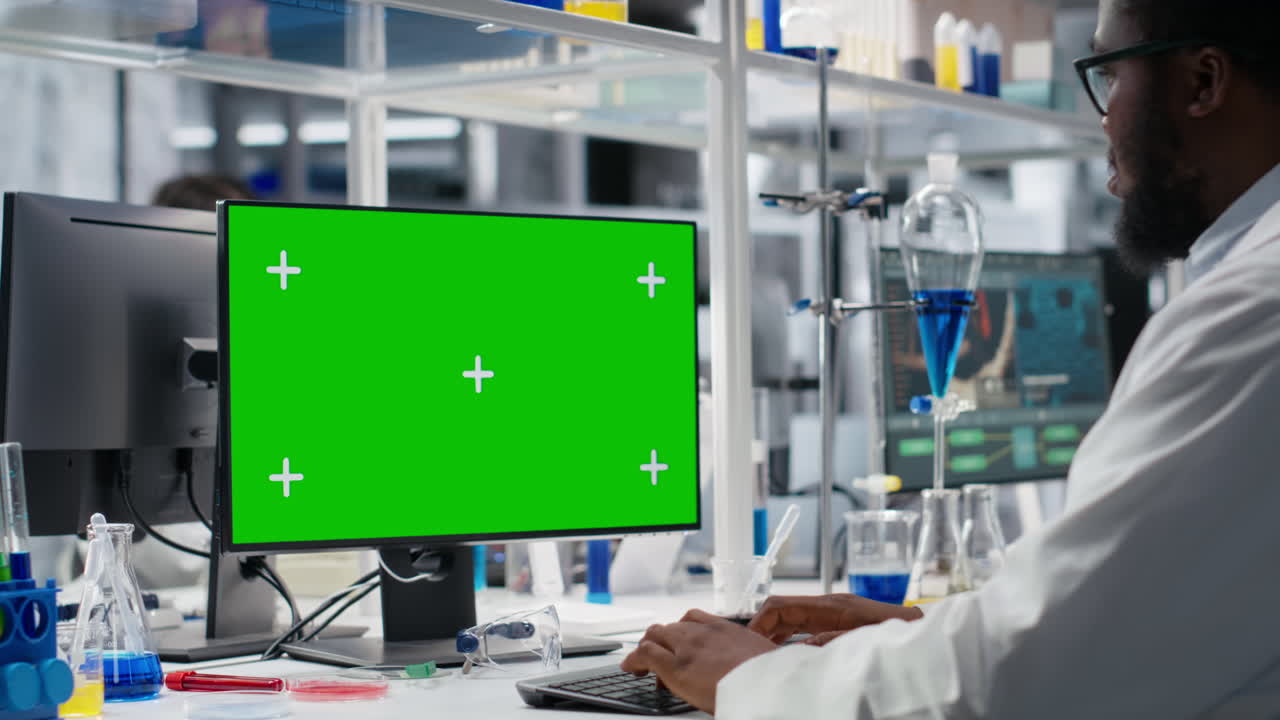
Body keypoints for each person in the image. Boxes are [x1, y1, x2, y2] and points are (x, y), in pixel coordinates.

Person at [622, 1, 1280, 716]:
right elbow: (1136, 623)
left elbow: (1033, 677)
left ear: (1203, 82)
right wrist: (924, 631)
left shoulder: (1250, 312)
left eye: (1110, 73)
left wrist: (752, 681)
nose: (1103, 117)